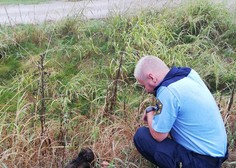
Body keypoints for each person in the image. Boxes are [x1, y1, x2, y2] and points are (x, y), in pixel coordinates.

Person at [133, 55, 228, 168]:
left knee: (141, 136)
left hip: (202, 162)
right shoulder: (188, 74)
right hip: (218, 153)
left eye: (144, 85)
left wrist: (149, 112)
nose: (146, 90)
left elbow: (159, 135)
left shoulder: (168, 91)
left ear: (152, 77)